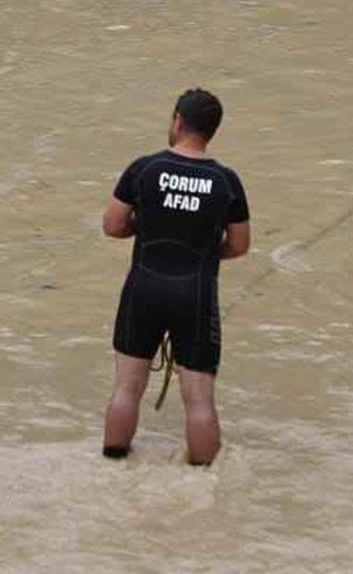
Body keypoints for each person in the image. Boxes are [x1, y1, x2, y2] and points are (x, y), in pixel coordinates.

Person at [102, 88, 251, 466]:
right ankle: (203, 481)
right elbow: (239, 244)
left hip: (144, 288)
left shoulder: (144, 168)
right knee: (199, 399)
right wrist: (199, 245)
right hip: (196, 293)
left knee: (126, 389)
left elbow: (113, 225)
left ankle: (113, 465)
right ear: (211, 131)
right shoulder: (226, 181)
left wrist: (150, 226)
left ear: (178, 121)